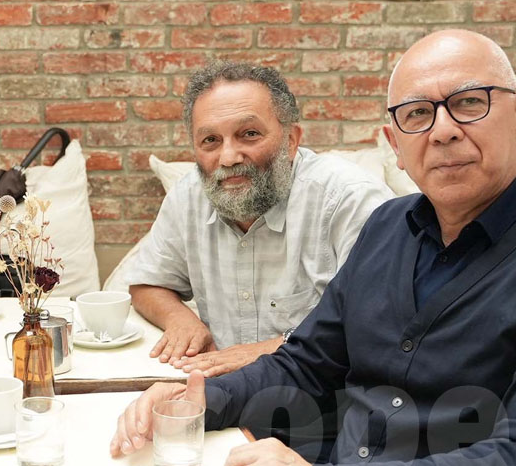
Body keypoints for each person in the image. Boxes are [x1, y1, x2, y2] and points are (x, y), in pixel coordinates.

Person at [111, 29, 516, 464]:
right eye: (417, 113)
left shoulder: (352, 203)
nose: (442, 131)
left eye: (469, 102)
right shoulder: (387, 229)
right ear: (396, 144)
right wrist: (196, 398)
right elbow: (306, 363)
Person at [125, 61, 393, 377]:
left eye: (249, 134)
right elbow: (146, 284)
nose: (228, 158)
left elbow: (380, 325)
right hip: (223, 390)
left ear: (291, 140)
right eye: (210, 140)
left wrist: (266, 353)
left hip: (326, 402)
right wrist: (180, 319)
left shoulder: (351, 201)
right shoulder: (189, 196)